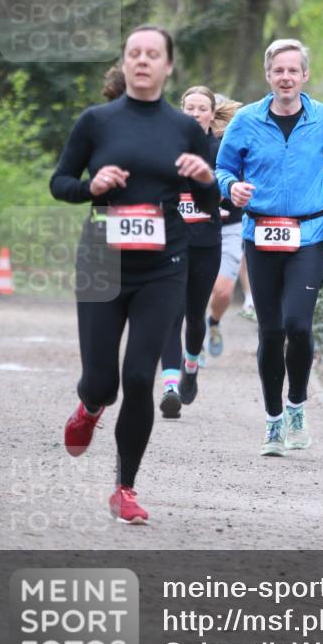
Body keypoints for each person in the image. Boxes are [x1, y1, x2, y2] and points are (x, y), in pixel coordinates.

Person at [50, 26, 219, 523]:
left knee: (141, 376)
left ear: (168, 66)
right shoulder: (96, 122)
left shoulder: (185, 130)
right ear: (124, 64)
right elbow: (60, 182)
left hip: (164, 266)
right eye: (134, 54)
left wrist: (207, 179)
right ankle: (90, 407)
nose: (142, 61)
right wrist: (90, 186)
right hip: (102, 259)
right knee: (102, 382)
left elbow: (207, 205)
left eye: (153, 55)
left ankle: (124, 487)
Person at [215, 38, 323, 456]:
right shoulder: (245, 121)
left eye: (293, 70)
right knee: (271, 331)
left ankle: (296, 407)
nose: (286, 77)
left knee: (298, 325)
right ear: (268, 75)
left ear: (305, 75)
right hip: (260, 236)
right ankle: (274, 422)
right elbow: (223, 168)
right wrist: (231, 188)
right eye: (279, 70)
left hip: (308, 237)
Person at [159, 85, 226, 417]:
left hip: (206, 244)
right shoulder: (169, 146)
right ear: (181, 111)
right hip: (171, 242)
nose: (196, 113)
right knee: (171, 313)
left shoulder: (219, 149)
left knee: (194, 315)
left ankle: (191, 366)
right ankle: (170, 385)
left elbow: (229, 189)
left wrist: (224, 202)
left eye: (202, 108)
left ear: (212, 114)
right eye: (190, 108)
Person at [205, 96, 248, 357]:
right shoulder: (187, 144)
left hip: (230, 225)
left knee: (222, 291)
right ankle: (193, 334)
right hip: (195, 224)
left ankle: (214, 322)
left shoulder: (238, 144)